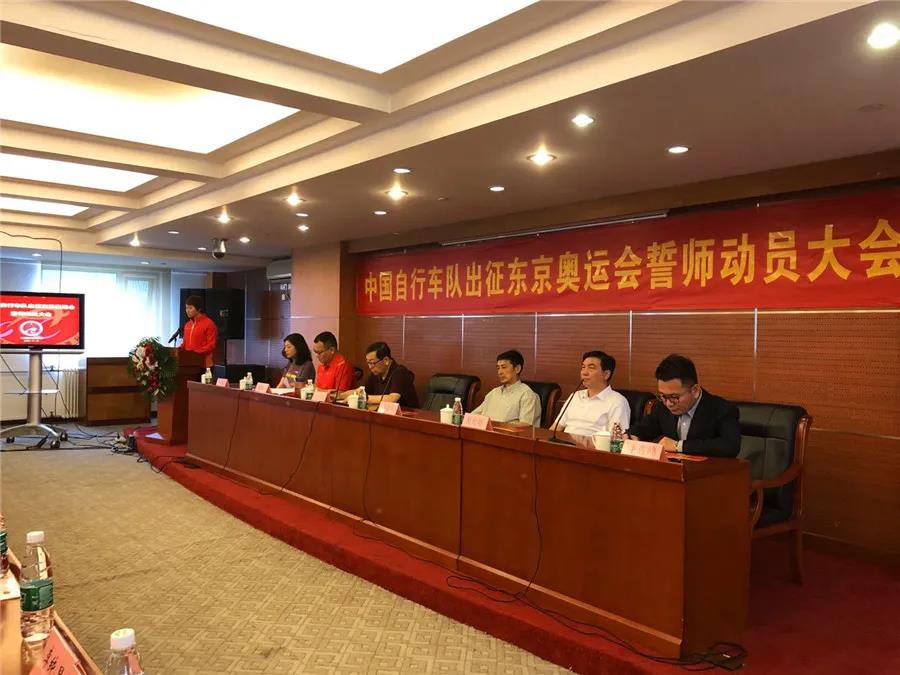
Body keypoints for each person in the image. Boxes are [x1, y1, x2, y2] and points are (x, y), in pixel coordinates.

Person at [626, 354, 741, 457]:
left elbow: (730, 446)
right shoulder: (663, 406)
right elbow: (647, 426)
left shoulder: (721, 409)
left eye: (674, 397)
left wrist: (679, 446)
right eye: (663, 396)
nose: (668, 403)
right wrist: (633, 434)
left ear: (695, 391)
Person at [552, 350, 630, 437]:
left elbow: (617, 439)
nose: (584, 372)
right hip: (564, 443)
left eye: (591, 368)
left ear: (606, 374)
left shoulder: (617, 402)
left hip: (593, 445)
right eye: (583, 367)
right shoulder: (575, 396)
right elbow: (555, 428)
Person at [471, 350, 541, 426]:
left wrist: (499, 426)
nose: (499, 372)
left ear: (517, 369)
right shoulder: (494, 392)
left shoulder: (527, 394)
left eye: (504, 367)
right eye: (498, 368)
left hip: (506, 433)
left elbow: (526, 425)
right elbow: (474, 415)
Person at [354, 341, 419, 408]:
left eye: (372, 363)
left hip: (407, 413)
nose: (370, 367)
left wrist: (363, 398)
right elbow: (362, 391)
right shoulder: (376, 372)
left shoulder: (400, 372)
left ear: (386, 360)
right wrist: (349, 395)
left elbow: (392, 399)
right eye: (368, 363)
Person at [182, 295, 217, 367]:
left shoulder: (209, 324)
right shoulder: (187, 325)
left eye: (190, 308)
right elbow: (184, 344)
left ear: (199, 309)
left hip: (204, 364)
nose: (187, 310)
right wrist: (176, 351)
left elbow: (211, 345)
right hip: (188, 364)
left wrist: (196, 353)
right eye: (186, 308)